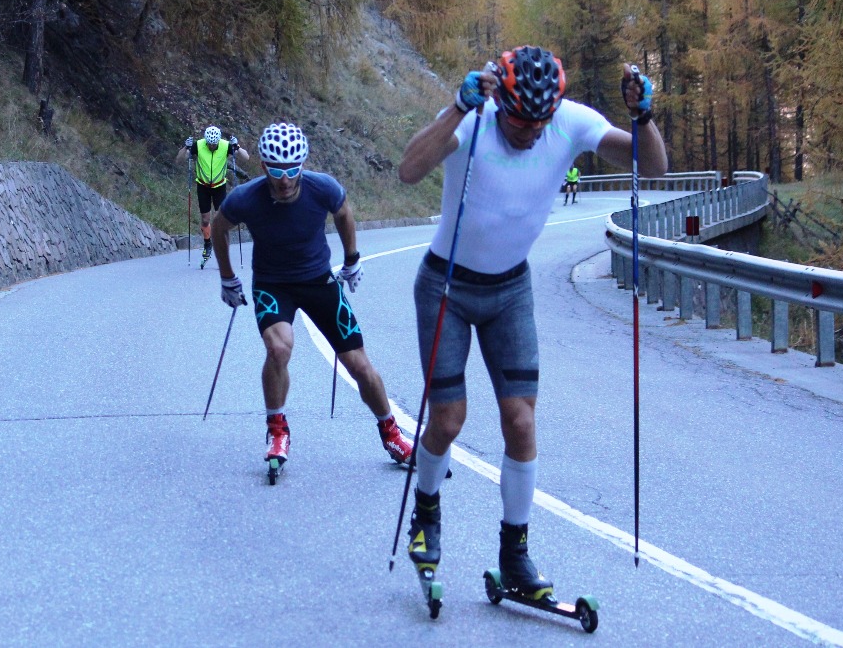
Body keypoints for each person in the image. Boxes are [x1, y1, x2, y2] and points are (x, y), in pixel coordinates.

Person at [396, 48, 666, 600]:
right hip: (446, 284)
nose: (527, 133)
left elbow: (652, 165)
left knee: (521, 423)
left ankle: (514, 554)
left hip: (510, 290)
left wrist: (643, 117)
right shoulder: (474, 123)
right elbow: (408, 169)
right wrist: (455, 106)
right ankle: (426, 512)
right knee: (448, 421)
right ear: (500, 103)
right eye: (518, 121)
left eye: (538, 124)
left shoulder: (569, 123)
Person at [210, 122, 414, 478]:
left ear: (303, 164)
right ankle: (277, 431)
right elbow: (219, 229)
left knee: (359, 365)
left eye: (293, 169)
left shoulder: (323, 188)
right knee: (279, 349)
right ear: (263, 167)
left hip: (319, 281)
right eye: (276, 169)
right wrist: (227, 276)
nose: (285, 179)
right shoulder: (246, 198)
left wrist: (352, 259)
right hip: (273, 285)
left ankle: (392, 434)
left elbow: (345, 214)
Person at [175, 125, 249, 268]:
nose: (212, 146)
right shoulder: (198, 145)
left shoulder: (225, 146)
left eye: (214, 144)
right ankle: (208, 244)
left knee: (221, 218)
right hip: (203, 185)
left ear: (218, 141)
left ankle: (222, 247)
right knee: (205, 219)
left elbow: (246, 157)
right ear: (206, 141)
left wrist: (237, 147)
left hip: (219, 186)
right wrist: (186, 147)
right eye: (210, 144)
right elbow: (179, 160)